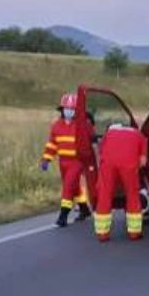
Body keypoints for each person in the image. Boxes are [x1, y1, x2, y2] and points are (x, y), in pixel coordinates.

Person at [40, 93, 90, 227]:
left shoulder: (82, 125)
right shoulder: (56, 126)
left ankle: (63, 216)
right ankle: (84, 209)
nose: (69, 111)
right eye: (66, 108)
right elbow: (52, 144)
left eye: (72, 109)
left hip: (77, 161)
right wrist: (46, 159)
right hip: (63, 162)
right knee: (74, 187)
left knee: (68, 186)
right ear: (62, 110)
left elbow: (90, 140)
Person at [94, 125, 148, 242]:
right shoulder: (139, 135)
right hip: (128, 164)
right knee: (132, 195)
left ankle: (102, 234)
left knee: (104, 195)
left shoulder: (108, 134)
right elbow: (143, 162)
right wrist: (133, 170)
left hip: (108, 164)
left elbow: (100, 152)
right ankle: (134, 233)